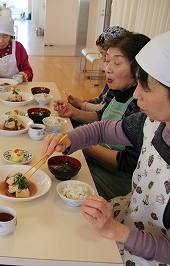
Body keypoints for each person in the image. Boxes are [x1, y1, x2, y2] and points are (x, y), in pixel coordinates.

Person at [42, 31, 170, 265]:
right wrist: (68, 138)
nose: (137, 94)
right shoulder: (152, 122)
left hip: (146, 251)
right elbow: (102, 129)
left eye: (145, 87)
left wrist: (114, 230)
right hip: (130, 215)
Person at [54, 32, 150, 200]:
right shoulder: (117, 90)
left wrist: (89, 148)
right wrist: (74, 113)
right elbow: (102, 118)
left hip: (118, 177)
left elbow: (128, 163)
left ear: (138, 70)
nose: (108, 69)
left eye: (117, 63)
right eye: (107, 61)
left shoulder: (141, 106)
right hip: (99, 156)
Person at [68, 26, 129, 112]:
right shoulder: (113, 80)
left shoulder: (120, 83)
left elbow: (104, 111)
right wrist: (96, 100)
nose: (103, 59)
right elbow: (105, 99)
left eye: (104, 54)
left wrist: (81, 105)